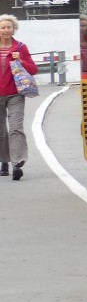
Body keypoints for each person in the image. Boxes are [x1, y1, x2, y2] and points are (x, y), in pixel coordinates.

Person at [0, 13, 36, 181]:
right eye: (3, 27)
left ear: (14, 29)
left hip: (15, 94)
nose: (6, 30)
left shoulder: (21, 48)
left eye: (9, 27)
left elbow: (33, 69)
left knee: (16, 128)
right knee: (1, 131)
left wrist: (20, 60)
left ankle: (17, 163)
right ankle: (4, 162)